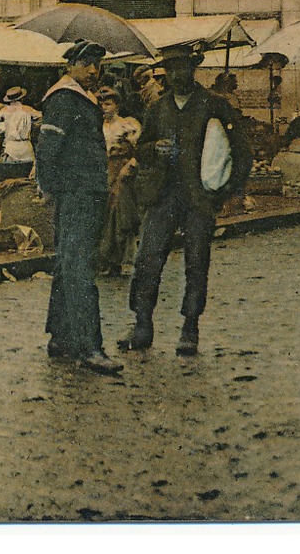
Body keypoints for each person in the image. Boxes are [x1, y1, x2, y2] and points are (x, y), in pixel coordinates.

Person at [119, 48, 252, 357]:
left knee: (196, 261)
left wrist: (227, 192)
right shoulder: (158, 108)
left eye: (184, 69)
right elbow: (141, 150)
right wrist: (154, 149)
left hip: (199, 198)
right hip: (162, 196)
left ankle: (190, 326)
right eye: (172, 69)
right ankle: (142, 324)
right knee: (148, 258)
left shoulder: (214, 105)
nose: (178, 75)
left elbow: (241, 152)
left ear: (194, 70)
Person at [36, 41, 122, 375]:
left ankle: (60, 337)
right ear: (70, 65)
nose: (92, 70)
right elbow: (47, 148)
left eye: (96, 64)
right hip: (76, 194)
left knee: (68, 264)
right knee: (80, 269)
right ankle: (89, 346)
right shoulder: (63, 99)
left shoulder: (81, 99)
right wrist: (51, 189)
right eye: (85, 63)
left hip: (85, 192)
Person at [95, 87, 144, 276]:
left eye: (108, 103)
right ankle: (107, 260)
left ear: (117, 106)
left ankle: (123, 259)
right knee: (105, 214)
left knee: (120, 213)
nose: (103, 107)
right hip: (103, 171)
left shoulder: (127, 125)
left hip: (121, 171)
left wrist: (129, 167)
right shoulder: (98, 126)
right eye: (101, 103)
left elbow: (138, 151)